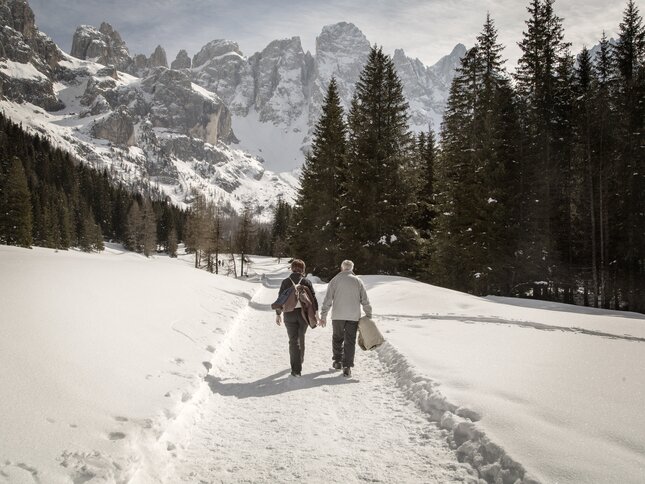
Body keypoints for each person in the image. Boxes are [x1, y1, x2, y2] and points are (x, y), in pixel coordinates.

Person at [320, 260, 372, 377]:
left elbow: (328, 300)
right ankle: (347, 366)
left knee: (337, 338)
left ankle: (338, 361)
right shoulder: (358, 281)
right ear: (352, 268)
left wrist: (323, 315)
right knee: (350, 341)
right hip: (353, 317)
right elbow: (365, 300)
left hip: (338, 316)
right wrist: (368, 315)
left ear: (341, 268)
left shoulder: (335, 280)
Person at [275, 259, 319, 377]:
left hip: (289, 313)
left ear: (292, 268)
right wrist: (316, 313)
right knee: (301, 337)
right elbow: (313, 299)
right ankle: (300, 361)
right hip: (303, 314)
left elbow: (281, 299)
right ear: (303, 270)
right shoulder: (306, 281)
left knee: (293, 340)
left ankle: (296, 369)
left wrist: (278, 314)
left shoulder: (285, 282)